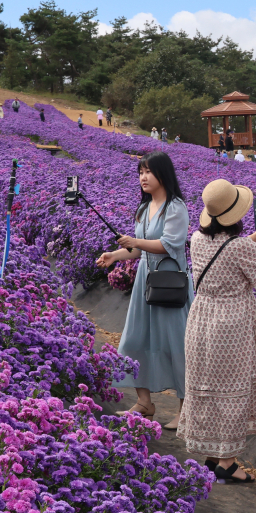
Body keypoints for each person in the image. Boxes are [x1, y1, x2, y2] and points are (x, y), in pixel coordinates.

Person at [177, 179, 256, 482]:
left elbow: (225, 254)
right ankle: (227, 463)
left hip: (201, 320)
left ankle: (213, 456)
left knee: (209, 386)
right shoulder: (238, 246)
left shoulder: (198, 239)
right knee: (232, 390)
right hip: (232, 323)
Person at [94, 152, 193, 428]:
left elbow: (170, 245)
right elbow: (138, 250)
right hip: (146, 285)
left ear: (164, 174)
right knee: (132, 342)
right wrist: (115, 254)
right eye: (140, 172)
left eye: (148, 171)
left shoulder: (176, 207)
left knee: (178, 347)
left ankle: (187, 410)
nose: (143, 177)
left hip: (170, 284)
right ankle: (144, 403)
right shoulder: (143, 208)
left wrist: (135, 240)